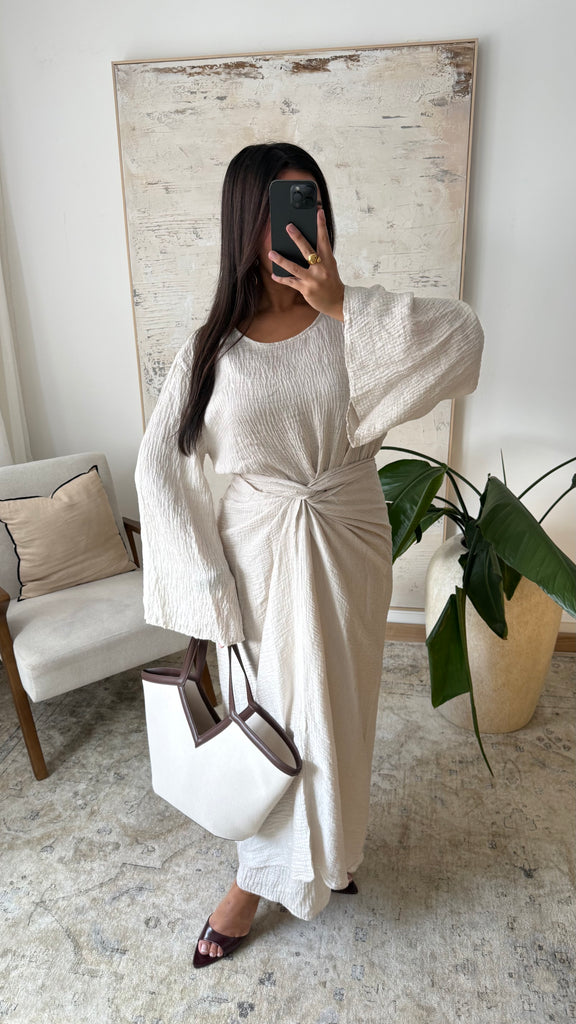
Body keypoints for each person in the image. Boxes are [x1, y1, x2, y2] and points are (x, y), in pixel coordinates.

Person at [134, 142, 484, 968]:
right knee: (274, 721)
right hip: (258, 557)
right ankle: (252, 882)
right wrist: (206, 586)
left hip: (348, 540)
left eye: (312, 203)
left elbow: (463, 340)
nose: (301, 223)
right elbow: (158, 466)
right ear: (245, 221)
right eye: (280, 209)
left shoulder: (350, 325)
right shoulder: (212, 348)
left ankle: (331, 851)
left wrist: (342, 304)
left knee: (342, 711)